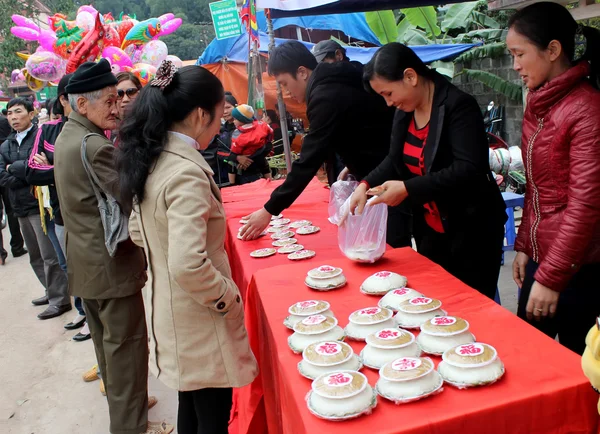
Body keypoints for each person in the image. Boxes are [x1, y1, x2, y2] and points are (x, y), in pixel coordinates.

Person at [117, 61, 258, 434]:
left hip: (171, 310)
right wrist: (227, 295)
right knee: (211, 412)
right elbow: (187, 264)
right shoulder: (187, 172)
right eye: (217, 115)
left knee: (192, 407)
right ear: (200, 115)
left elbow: (137, 228)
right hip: (199, 317)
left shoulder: (154, 158)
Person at [53, 59, 171, 434]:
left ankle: (131, 405)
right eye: (108, 100)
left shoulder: (68, 136)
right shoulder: (93, 146)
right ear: (82, 104)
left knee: (108, 349)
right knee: (127, 351)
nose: (116, 107)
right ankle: (132, 426)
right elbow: (129, 198)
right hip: (110, 265)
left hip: (86, 263)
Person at [349, 43, 507, 300]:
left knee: (474, 306)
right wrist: (364, 185)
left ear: (410, 77)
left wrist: (408, 189)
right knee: (436, 303)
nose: (388, 103)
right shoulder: (405, 111)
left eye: (389, 93)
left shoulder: (459, 106)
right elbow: (394, 159)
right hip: (430, 230)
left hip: (471, 229)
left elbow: (469, 169)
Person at [240, 41, 414, 248]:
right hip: (384, 168)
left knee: (393, 248)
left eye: (285, 83)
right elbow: (363, 126)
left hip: (390, 177)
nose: (286, 92)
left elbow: (308, 160)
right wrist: (353, 161)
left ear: (302, 72)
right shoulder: (342, 76)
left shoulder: (325, 95)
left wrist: (269, 210)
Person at [506, 2, 600, 355]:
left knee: (580, 373)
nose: (515, 65)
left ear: (553, 50)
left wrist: (550, 277)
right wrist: (526, 248)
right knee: (526, 360)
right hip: (544, 259)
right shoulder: (540, 102)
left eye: (519, 54)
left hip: (579, 270)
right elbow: (537, 186)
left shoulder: (586, 109)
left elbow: (586, 206)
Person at [0, 97, 71, 318]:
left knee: (50, 255)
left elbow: (38, 169)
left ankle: (61, 299)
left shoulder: (41, 136)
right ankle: (51, 291)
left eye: (18, 112)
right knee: (35, 256)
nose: (13, 117)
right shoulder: (6, 144)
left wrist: (20, 170)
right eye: (10, 113)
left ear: (31, 114)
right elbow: (4, 174)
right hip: (18, 205)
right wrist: (22, 172)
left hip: (40, 205)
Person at [228, 104, 273, 185]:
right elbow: (270, 131)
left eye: (235, 119)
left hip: (244, 156)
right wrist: (267, 140)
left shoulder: (238, 133)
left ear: (242, 120)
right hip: (259, 152)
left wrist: (236, 157)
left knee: (231, 164)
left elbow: (235, 149)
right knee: (264, 164)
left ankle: (232, 184)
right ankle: (270, 180)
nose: (233, 121)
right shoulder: (261, 125)